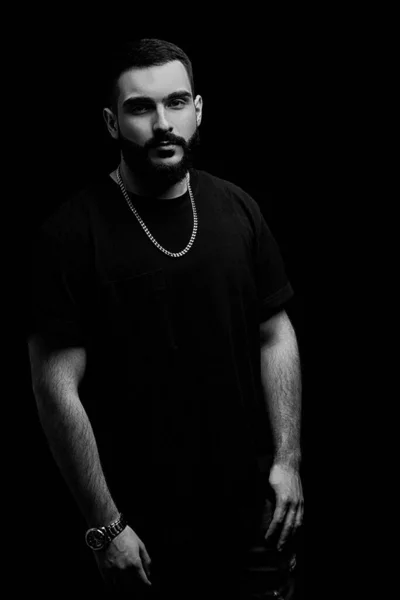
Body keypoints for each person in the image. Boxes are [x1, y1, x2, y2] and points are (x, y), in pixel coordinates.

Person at [27, 38, 304, 599]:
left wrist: (288, 461)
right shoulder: (69, 235)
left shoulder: (238, 209)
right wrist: (106, 526)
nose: (162, 123)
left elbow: (274, 334)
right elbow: (55, 386)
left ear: (197, 110)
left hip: (249, 515)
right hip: (139, 532)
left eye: (176, 103)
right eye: (140, 108)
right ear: (111, 121)